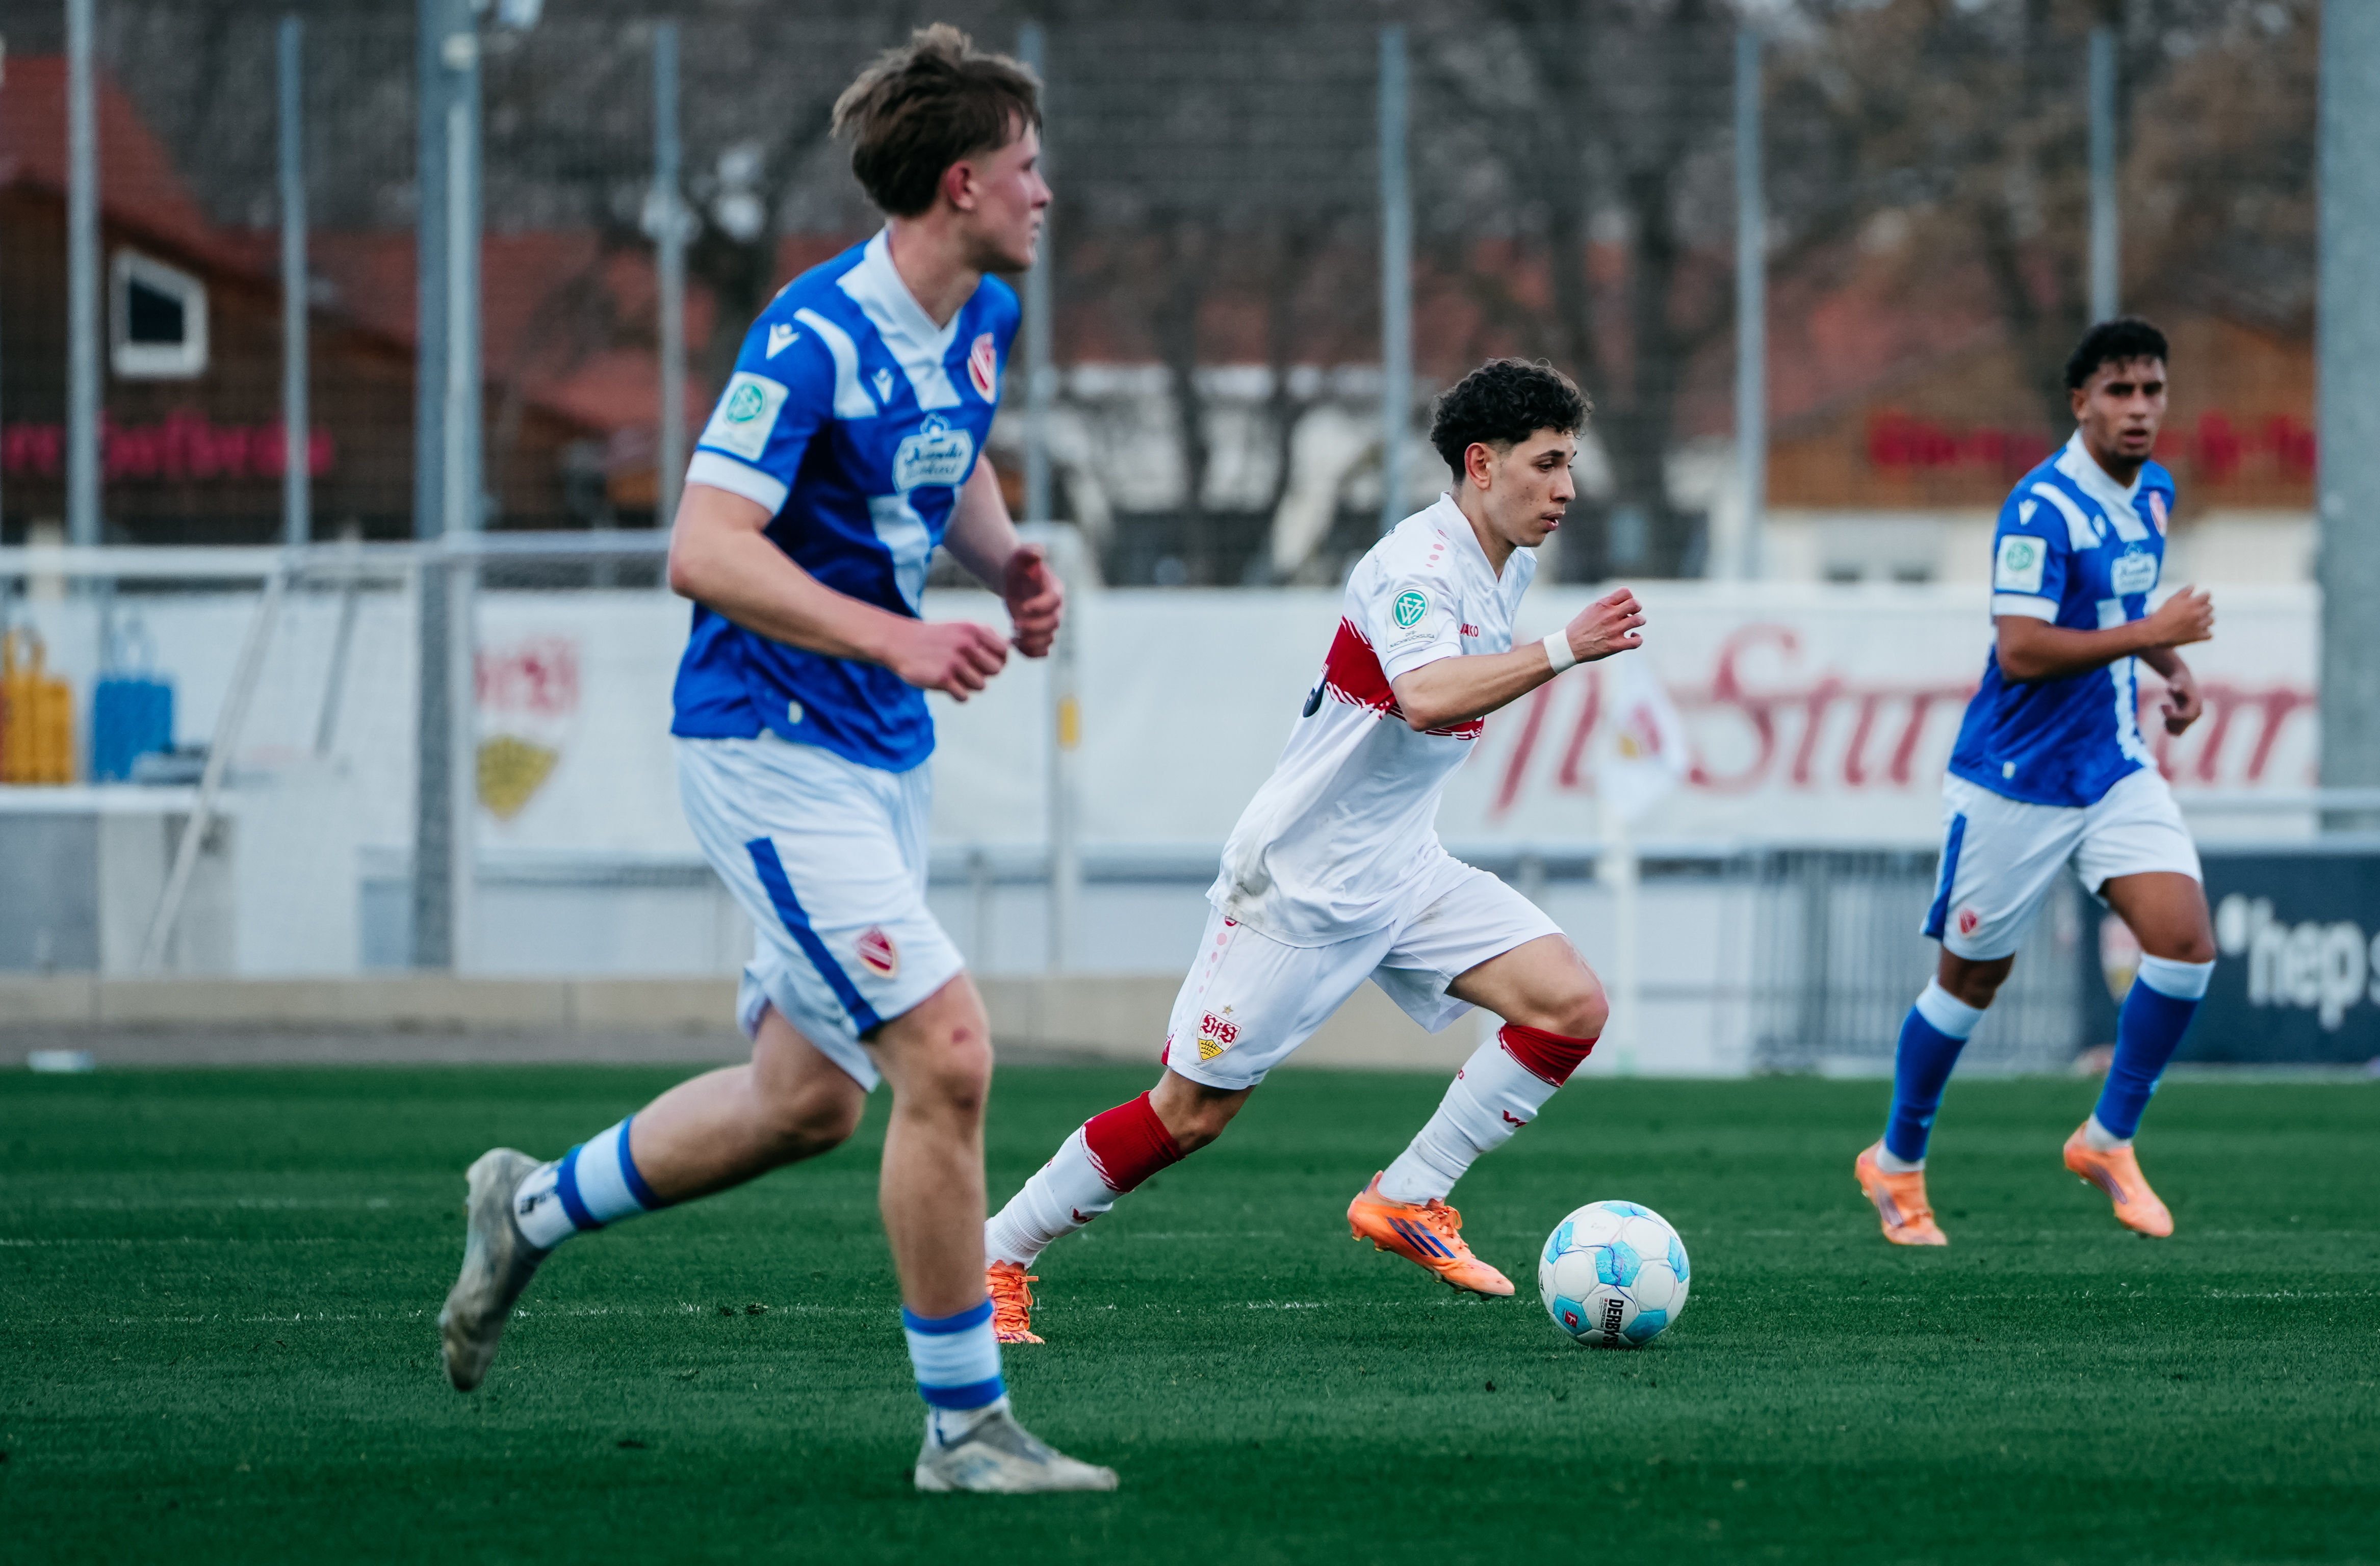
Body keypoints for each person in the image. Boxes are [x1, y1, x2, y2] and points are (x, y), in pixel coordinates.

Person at [435, 26, 1114, 1494]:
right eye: (1026, 168)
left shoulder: (980, 316)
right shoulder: (810, 338)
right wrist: (895, 638)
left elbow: (950, 452)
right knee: (947, 1057)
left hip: (876, 752)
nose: (1044, 191)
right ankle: (964, 1429)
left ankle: (527, 1212)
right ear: (958, 184)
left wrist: (1001, 566)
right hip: (768, 745)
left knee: (808, 1098)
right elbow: (703, 548)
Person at [977, 359, 1647, 1340]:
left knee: (1569, 1007)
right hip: (1299, 884)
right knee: (1186, 1115)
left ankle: (1410, 1196)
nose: (1566, 489)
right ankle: (996, 1252)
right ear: (1480, 464)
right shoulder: (1410, 567)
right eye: (1547, 465)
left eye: (1570, 465)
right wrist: (1562, 650)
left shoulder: (1509, 563)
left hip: (1401, 867)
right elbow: (1424, 698)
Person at [1853, 317, 2218, 1246]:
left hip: (2111, 768)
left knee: (2183, 947)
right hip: (2014, 780)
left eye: (2152, 390)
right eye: (2119, 392)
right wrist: (2150, 640)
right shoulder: (2039, 508)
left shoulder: (2155, 494)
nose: (2139, 409)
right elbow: (2019, 652)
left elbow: (2122, 614)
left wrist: (2167, 673)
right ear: (2080, 401)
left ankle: (2107, 1139)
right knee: (1969, 985)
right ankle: (1895, 1164)